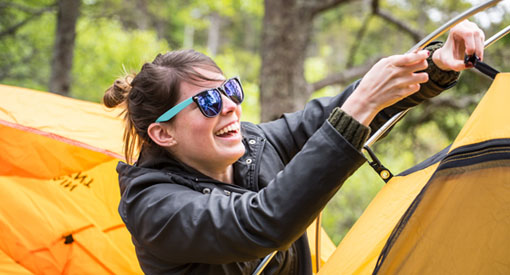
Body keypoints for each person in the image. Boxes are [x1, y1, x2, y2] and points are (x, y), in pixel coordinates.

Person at [103, 20, 484, 274]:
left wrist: (436, 64)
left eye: (229, 89)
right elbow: (263, 222)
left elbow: (335, 112)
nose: (230, 105)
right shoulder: (154, 207)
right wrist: (361, 105)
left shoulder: (255, 143)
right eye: (207, 101)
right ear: (163, 134)